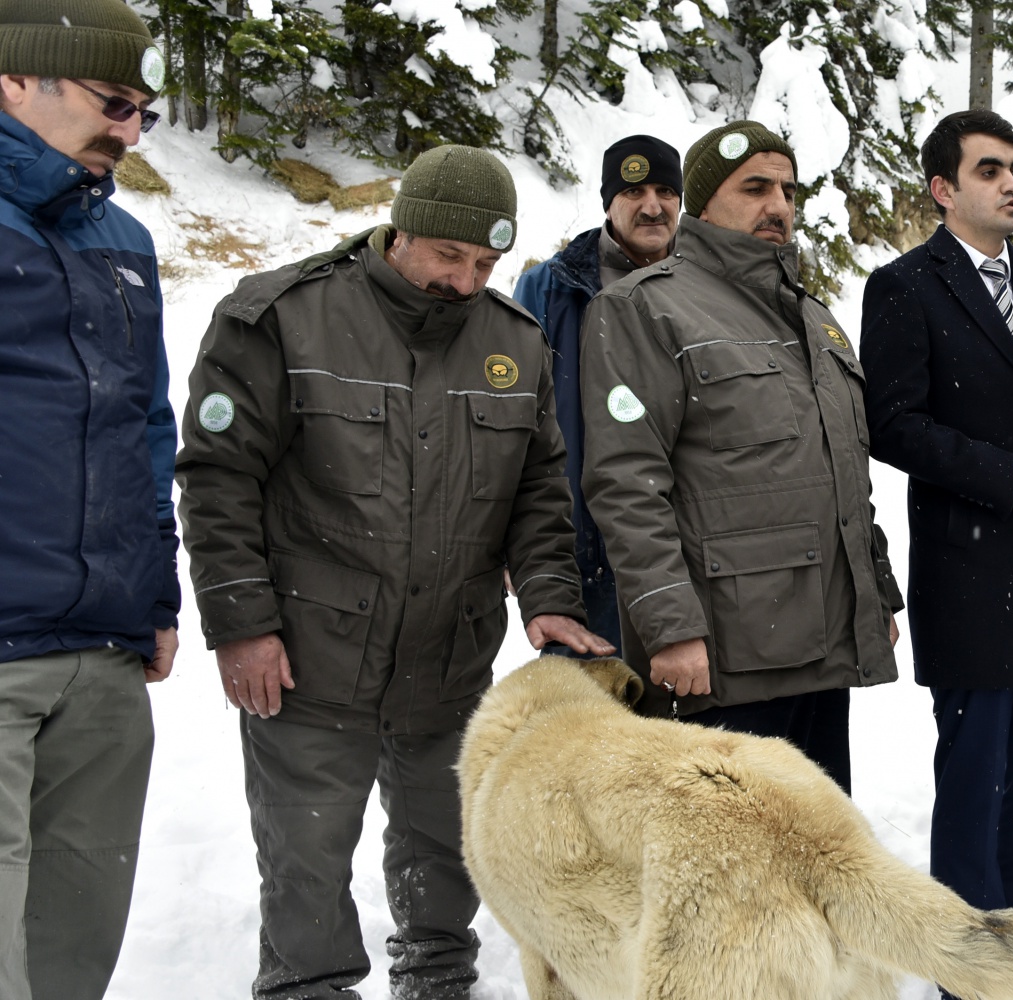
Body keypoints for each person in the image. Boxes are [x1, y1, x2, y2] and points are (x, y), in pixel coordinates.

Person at [176, 145, 614, 1000]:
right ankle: (309, 984)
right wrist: (241, 625)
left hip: (447, 658)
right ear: (400, 228)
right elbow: (219, 477)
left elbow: (536, 489)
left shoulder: (512, 342)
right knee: (306, 854)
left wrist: (552, 599)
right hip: (308, 654)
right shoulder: (282, 316)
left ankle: (440, 976)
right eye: (450, 257)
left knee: (444, 846)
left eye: (485, 264)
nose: (465, 281)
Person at [858, 108, 1013, 969]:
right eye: (990, 170)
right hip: (971, 579)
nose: (1012, 183)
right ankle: (970, 972)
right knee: (976, 791)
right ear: (943, 189)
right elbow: (892, 425)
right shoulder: (903, 287)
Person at [579, 120, 903, 795]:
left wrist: (875, 596)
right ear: (703, 204)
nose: (778, 206)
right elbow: (625, 482)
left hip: (818, 647)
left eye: (787, 190)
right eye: (754, 188)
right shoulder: (644, 309)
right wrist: (671, 631)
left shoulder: (813, 319)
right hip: (724, 657)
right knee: (734, 871)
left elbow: (844, 470)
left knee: (813, 855)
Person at [0, 3, 177, 998]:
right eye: (115, 104)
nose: (129, 130)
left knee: (71, 954)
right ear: (15, 82)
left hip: (101, 659)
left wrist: (155, 594)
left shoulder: (125, 242)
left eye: (144, 112)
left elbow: (146, 425)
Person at [513, 134, 683, 652]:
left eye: (664, 191)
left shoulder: (709, 281)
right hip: (583, 549)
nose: (652, 206)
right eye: (633, 192)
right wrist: (518, 543)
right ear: (608, 202)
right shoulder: (550, 288)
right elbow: (516, 423)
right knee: (590, 715)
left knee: (688, 721)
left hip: (691, 549)